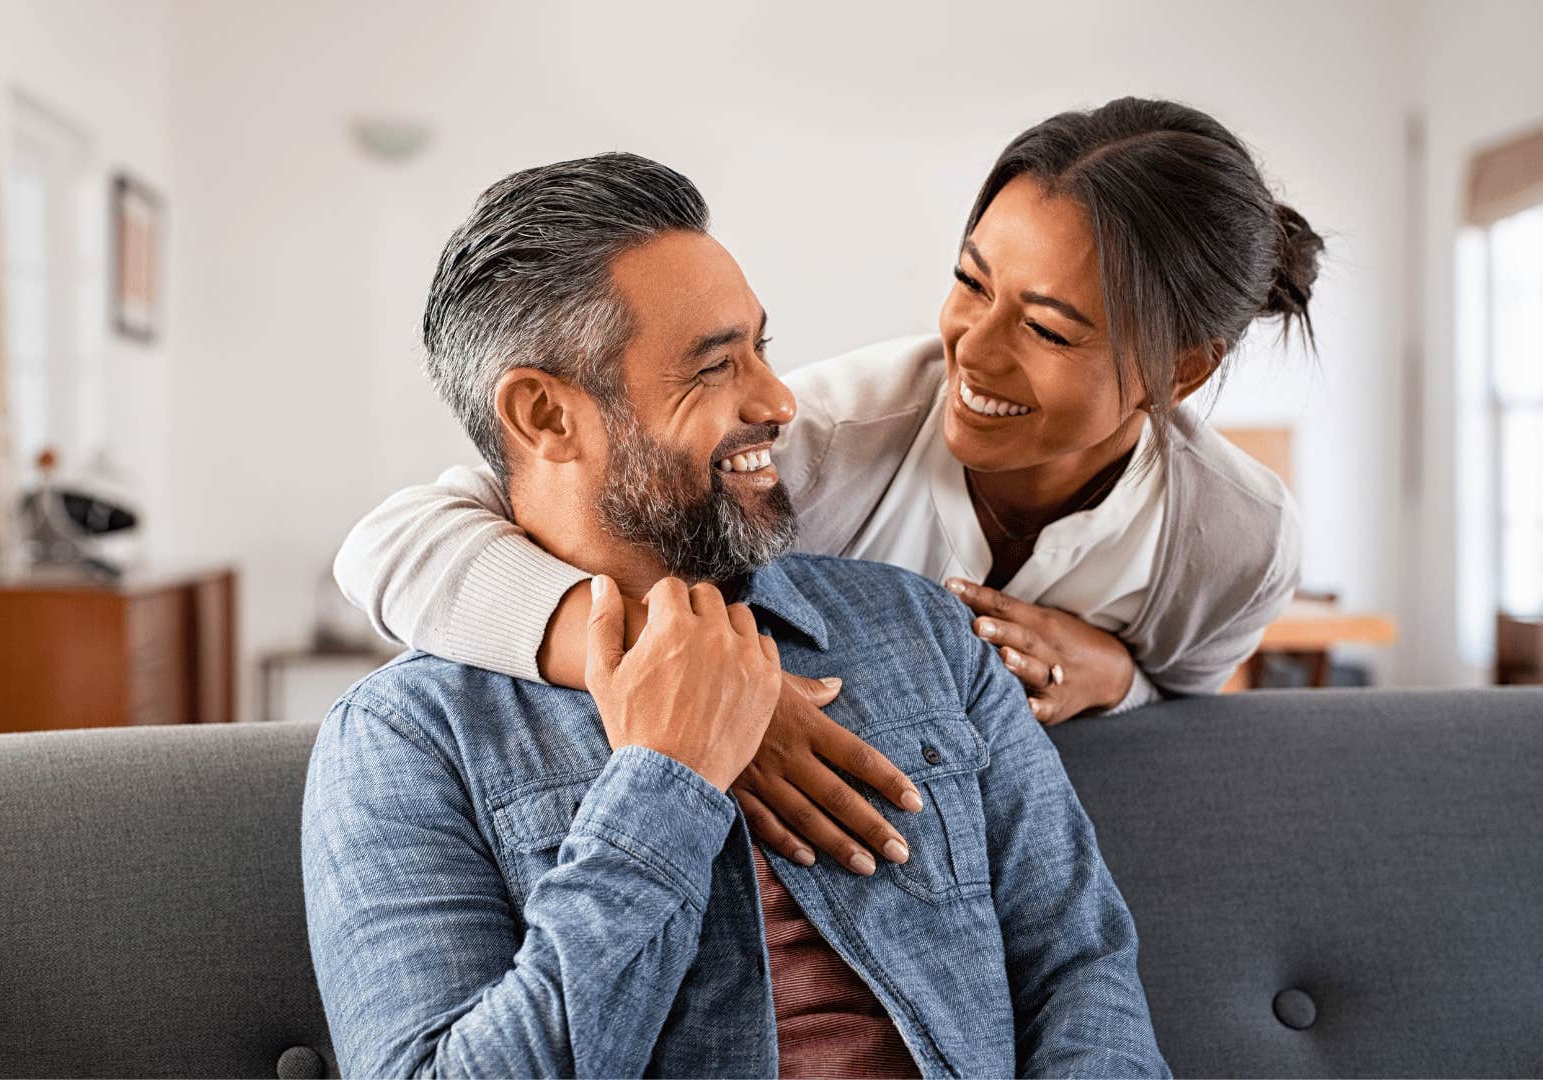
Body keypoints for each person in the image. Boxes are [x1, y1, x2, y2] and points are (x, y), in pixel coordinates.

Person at [302, 152, 1166, 1078]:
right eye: (716, 365)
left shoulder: (923, 633)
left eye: (762, 346)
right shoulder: (406, 742)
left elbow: (1083, 970)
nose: (778, 399)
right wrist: (663, 782)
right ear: (547, 416)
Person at [334, 97, 1317, 876]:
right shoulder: (827, 440)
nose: (972, 347)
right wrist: (688, 680)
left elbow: (1189, 719)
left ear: (1180, 371)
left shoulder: (1235, 539)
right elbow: (393, 545)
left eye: (1050, 328)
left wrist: (1121, 680)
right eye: (970, 283)